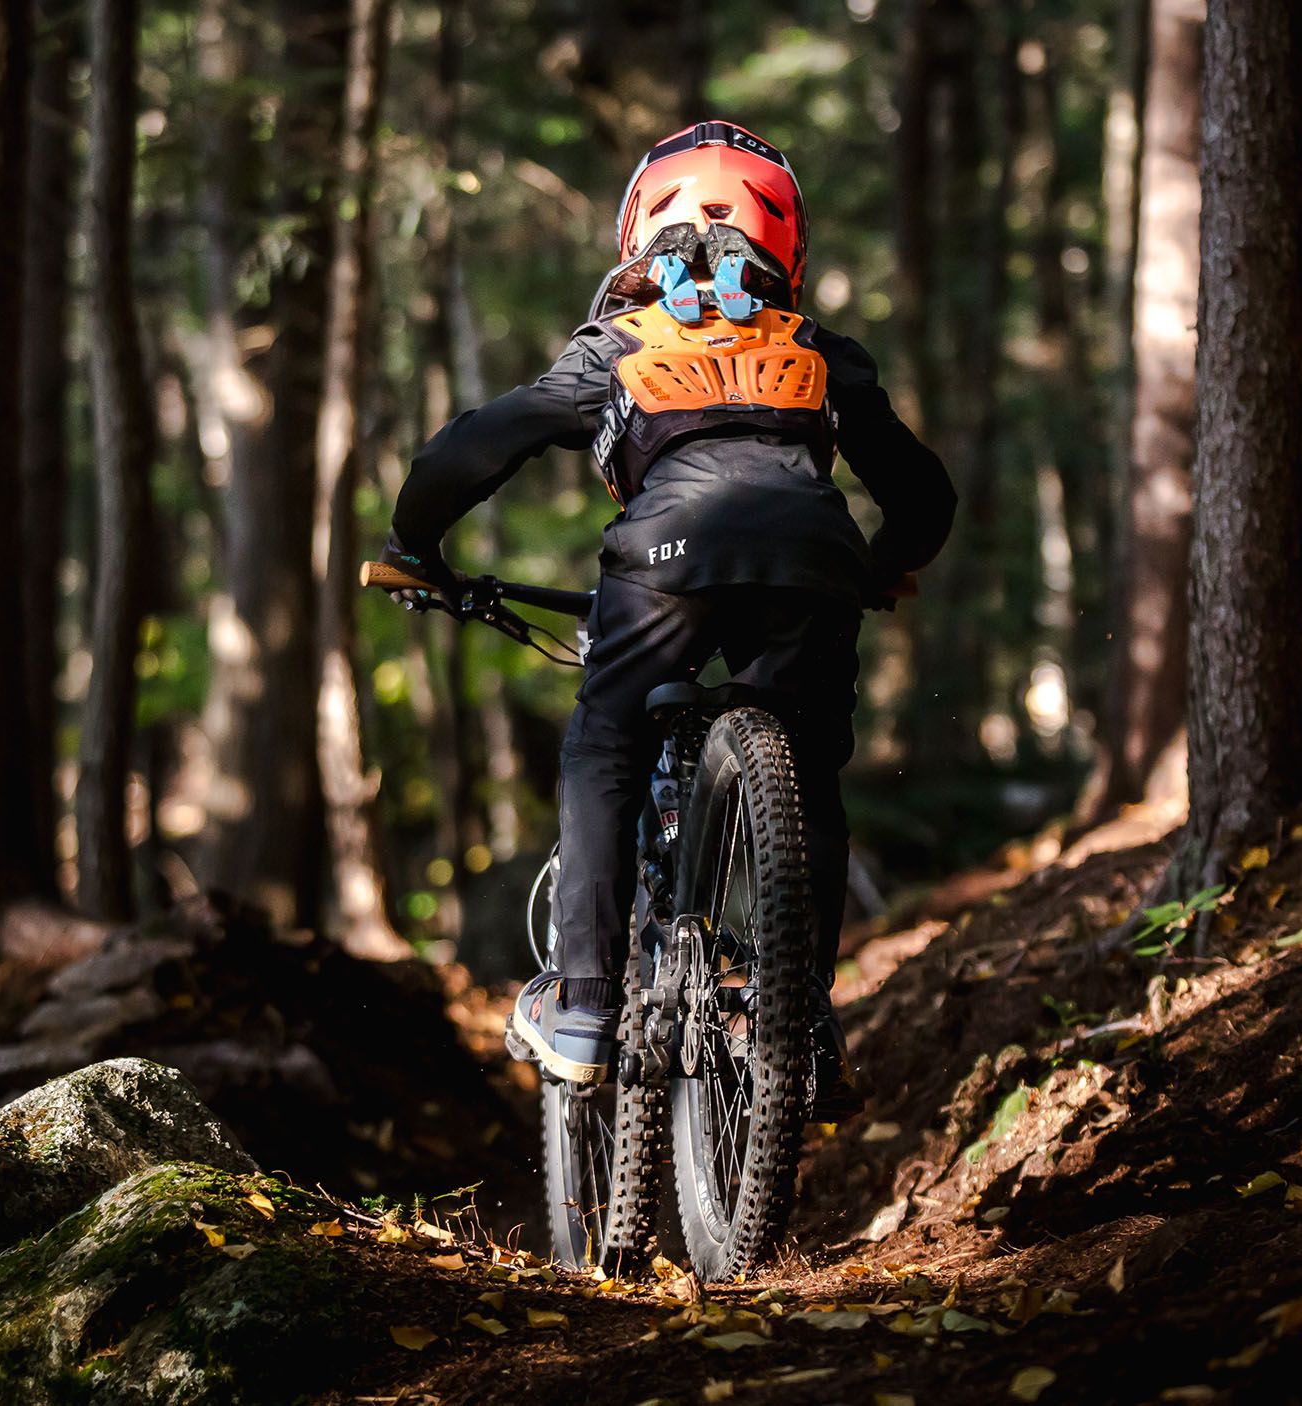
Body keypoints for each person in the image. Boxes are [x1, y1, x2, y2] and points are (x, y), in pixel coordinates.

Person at [385, 121, 955, 1118]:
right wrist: (882, 564)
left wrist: (415, 544)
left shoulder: (618, 342)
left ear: (636, 239)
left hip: (661, 563)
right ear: (785, 246)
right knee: (807, 768)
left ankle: (587, 1009)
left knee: (605, 747)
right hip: (812, 563)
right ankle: (802, 1019)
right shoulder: (817, 347)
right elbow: (920, 491)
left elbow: (480, 445)